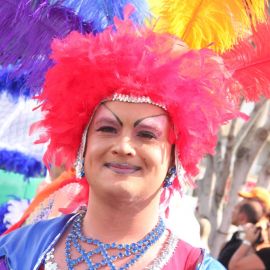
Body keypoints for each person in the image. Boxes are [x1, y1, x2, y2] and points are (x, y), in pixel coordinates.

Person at [0, 9, 252, 269]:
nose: (123, 146)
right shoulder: (15, 252)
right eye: (107, 129)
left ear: (176, 157)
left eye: (146, 134)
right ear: (82, 147)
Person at [218, 199, 264, 268]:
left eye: (236, 208)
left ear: (242, 217)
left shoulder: (241, 244)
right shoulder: (241, 240)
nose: (232, 211)